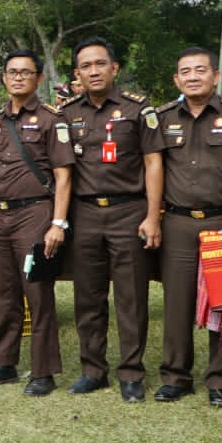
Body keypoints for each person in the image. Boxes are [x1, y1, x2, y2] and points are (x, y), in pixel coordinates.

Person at [151, 47, 222, 407]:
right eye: (184, 71)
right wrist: (153, 214)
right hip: (177, 222)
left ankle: (221, 380)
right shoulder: (163, 117)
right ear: (176, 80)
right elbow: (154, 167)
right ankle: (176, 376)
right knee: (177, 303)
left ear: (215, 76)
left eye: (200, 70)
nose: (192, 76)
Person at [59, 38, 162, 402]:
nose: (93, 71)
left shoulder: (138, 110)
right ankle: (93, 369)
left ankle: (131, 372)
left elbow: (153, 163)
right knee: (88, 295)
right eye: (85, 66)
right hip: (84, 212)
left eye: (100, 64)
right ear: (77, 74)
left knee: (131, 296)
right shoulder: (67, 112)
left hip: (129, 211)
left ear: (114, 68)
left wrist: (152, 214)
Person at [0, 50, 74, 395]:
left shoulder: (50, 119)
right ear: (3, 78)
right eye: (12, 72)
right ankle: (4, 363)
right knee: (1, 292)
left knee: (38, 293)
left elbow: (63, 176)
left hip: (35, 213)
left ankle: (43, 371)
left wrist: (58, 222)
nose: (18, 78)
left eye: (26, 73)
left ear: (39, 79)